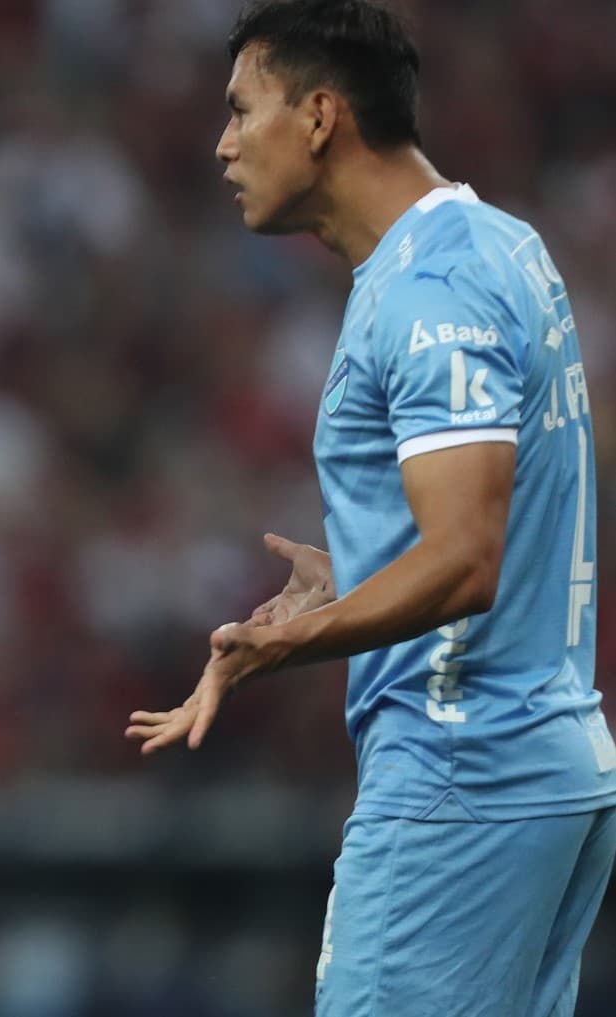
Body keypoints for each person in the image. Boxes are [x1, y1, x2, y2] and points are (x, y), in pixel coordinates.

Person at [125, 2, 616, 1014]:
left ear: (317, 116)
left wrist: (280, 649)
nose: (220, 144)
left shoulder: (430, 289)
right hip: (537, 758)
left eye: (240, 110)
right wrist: (351, 579)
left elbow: (467, 559)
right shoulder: (496, 244)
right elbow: (493, 533)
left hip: (460, 768)